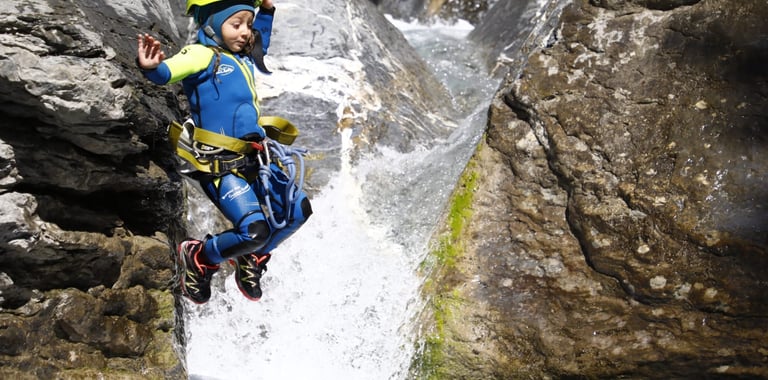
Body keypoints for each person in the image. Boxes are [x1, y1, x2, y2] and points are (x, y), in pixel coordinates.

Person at [136, 0, 312, 304]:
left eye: (248, 23)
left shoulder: (242, 57)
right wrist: (152, 67)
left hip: (256, 161)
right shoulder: (201, 55)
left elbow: (261, 42)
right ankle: (201, 256)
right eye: (236, 24)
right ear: (211, 25)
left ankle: (251, 258)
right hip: (221, 167)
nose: (245, 32)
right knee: (255, 231)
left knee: (299, 211)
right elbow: (169, 71)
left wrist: (267, 12)